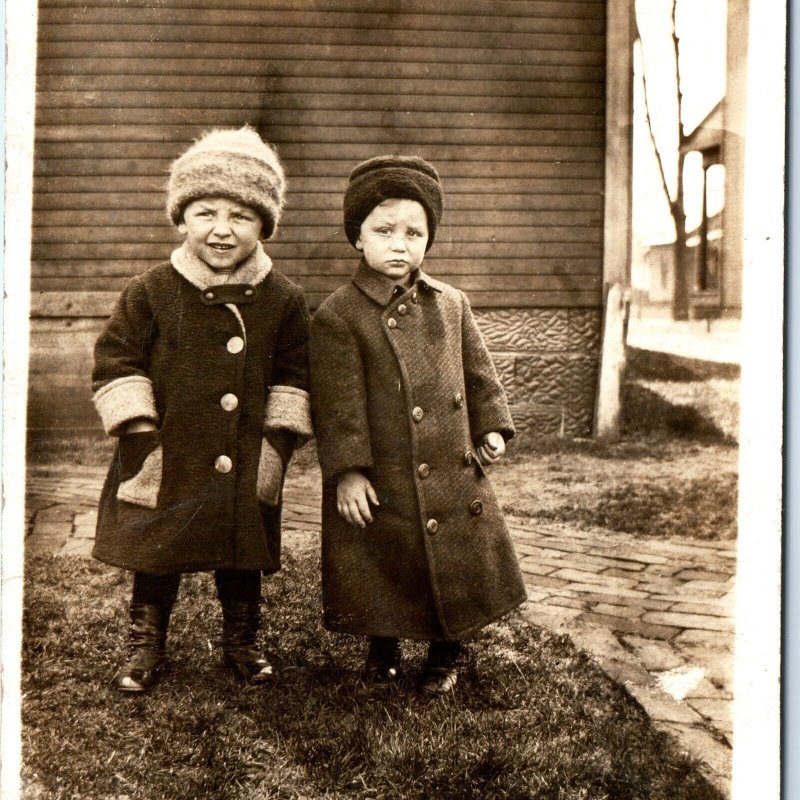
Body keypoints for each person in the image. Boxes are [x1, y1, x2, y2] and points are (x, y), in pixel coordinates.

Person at [91, 127, 312, 693]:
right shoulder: (152, 290)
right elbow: (117, 359)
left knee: (242, 551)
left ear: (264, 224)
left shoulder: (283, 298)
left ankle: (242, 642)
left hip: (244, 452)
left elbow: (296, 374)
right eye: (205, 212)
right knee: (156, 549)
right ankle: (145, 646)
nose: (221, 229)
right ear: (181, 218)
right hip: (167, 447)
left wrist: (276, 447)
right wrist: (141, 437)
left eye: (241, 215)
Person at [309, 155, 527, 694]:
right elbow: (338, 406)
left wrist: (491, 427)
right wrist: (349, 471)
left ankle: (445, 652)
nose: (399, 244)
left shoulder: (451, 304)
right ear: (357, 237)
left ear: (429, 238)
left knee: (454, 557)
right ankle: (381, 648)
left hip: (452, 464)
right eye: (384, 231)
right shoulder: (339, 315)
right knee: (385, 562)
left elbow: (478, 375)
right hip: (385, 471)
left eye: (414, 232)